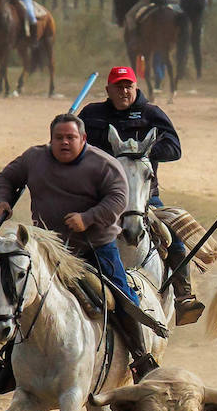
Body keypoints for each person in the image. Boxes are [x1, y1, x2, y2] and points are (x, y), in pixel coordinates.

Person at [0, 114, 164, 392]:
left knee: (120, 297)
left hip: (95, 246)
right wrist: (3, 199)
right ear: (51, 140)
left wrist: (88, 218)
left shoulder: (103, 164)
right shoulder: (34, 158)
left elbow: (118, 197)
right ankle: (10, 364)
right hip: (49, 246)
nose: (65, 142)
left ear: (83, 139)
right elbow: (7, 177)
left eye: (71, 137)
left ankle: (141, 358)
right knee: (18, 293)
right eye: (59, 138)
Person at [78, 65, 204, 325]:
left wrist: (141, 153)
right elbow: (72, 139)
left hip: (144, 195)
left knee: (174, 235)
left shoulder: (151, 114)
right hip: (100, 195)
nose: (124, 91)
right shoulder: (92, 114)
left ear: (136, 87)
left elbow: (174, 148)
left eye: (128, 86)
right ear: (108, 90)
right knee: (73, 232)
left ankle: (183, 295)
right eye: (118, 87)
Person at [178, 0, 207, 78]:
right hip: (185, 29)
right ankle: (182, 73)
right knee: (183, 51)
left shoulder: (201, 0)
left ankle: (199, 73)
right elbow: (183, 7)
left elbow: (201, 8)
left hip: (196, 29)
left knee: (196, 51)